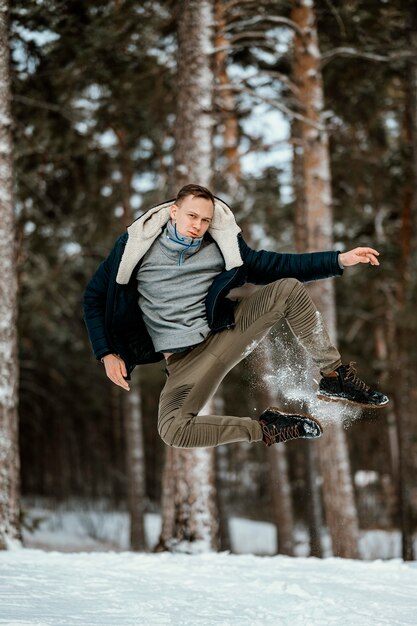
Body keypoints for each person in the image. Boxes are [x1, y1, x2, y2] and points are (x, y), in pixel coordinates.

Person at [83, 184, 388, 448]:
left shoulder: (221, 250)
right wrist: (106, 352)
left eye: (205, 220)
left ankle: (334, 377)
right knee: (173, 430)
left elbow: (275, 266)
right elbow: (93, 297)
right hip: (183, 363)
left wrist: (338, 259)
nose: (197, 225)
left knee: (288, 289)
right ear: (174, 212)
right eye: (191, 216)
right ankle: (266, 428)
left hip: (223, 335)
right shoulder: (134, 251)